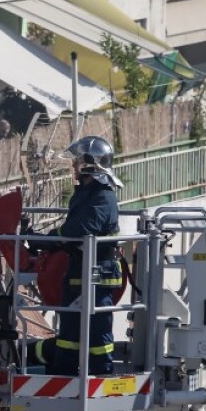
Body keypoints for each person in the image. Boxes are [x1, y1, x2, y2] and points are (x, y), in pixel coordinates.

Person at [36, 136, 123, 375]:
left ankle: (101, 374)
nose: (73, 167)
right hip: (80, 274)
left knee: (97, 333)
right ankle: (63, 371)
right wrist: (45, 240)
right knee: (69, 333)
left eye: (76, 162)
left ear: (88, 164)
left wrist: (49, 238)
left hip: (98, 277)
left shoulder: (103, 196)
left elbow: (82, 228)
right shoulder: (87, 193)